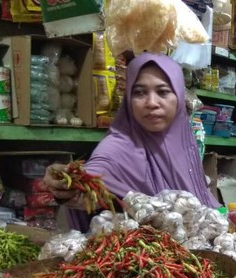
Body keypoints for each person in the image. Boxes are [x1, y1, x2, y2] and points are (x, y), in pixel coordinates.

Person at [44, 53, 219, 231]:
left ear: (180, 98)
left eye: (163, 92)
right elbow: (94, 183)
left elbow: (200, 197)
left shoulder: (183, 142)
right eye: (139, 93)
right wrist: (69, 184)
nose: (151, 103)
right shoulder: (116, 148)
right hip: (148, 256)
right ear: (128, 100)